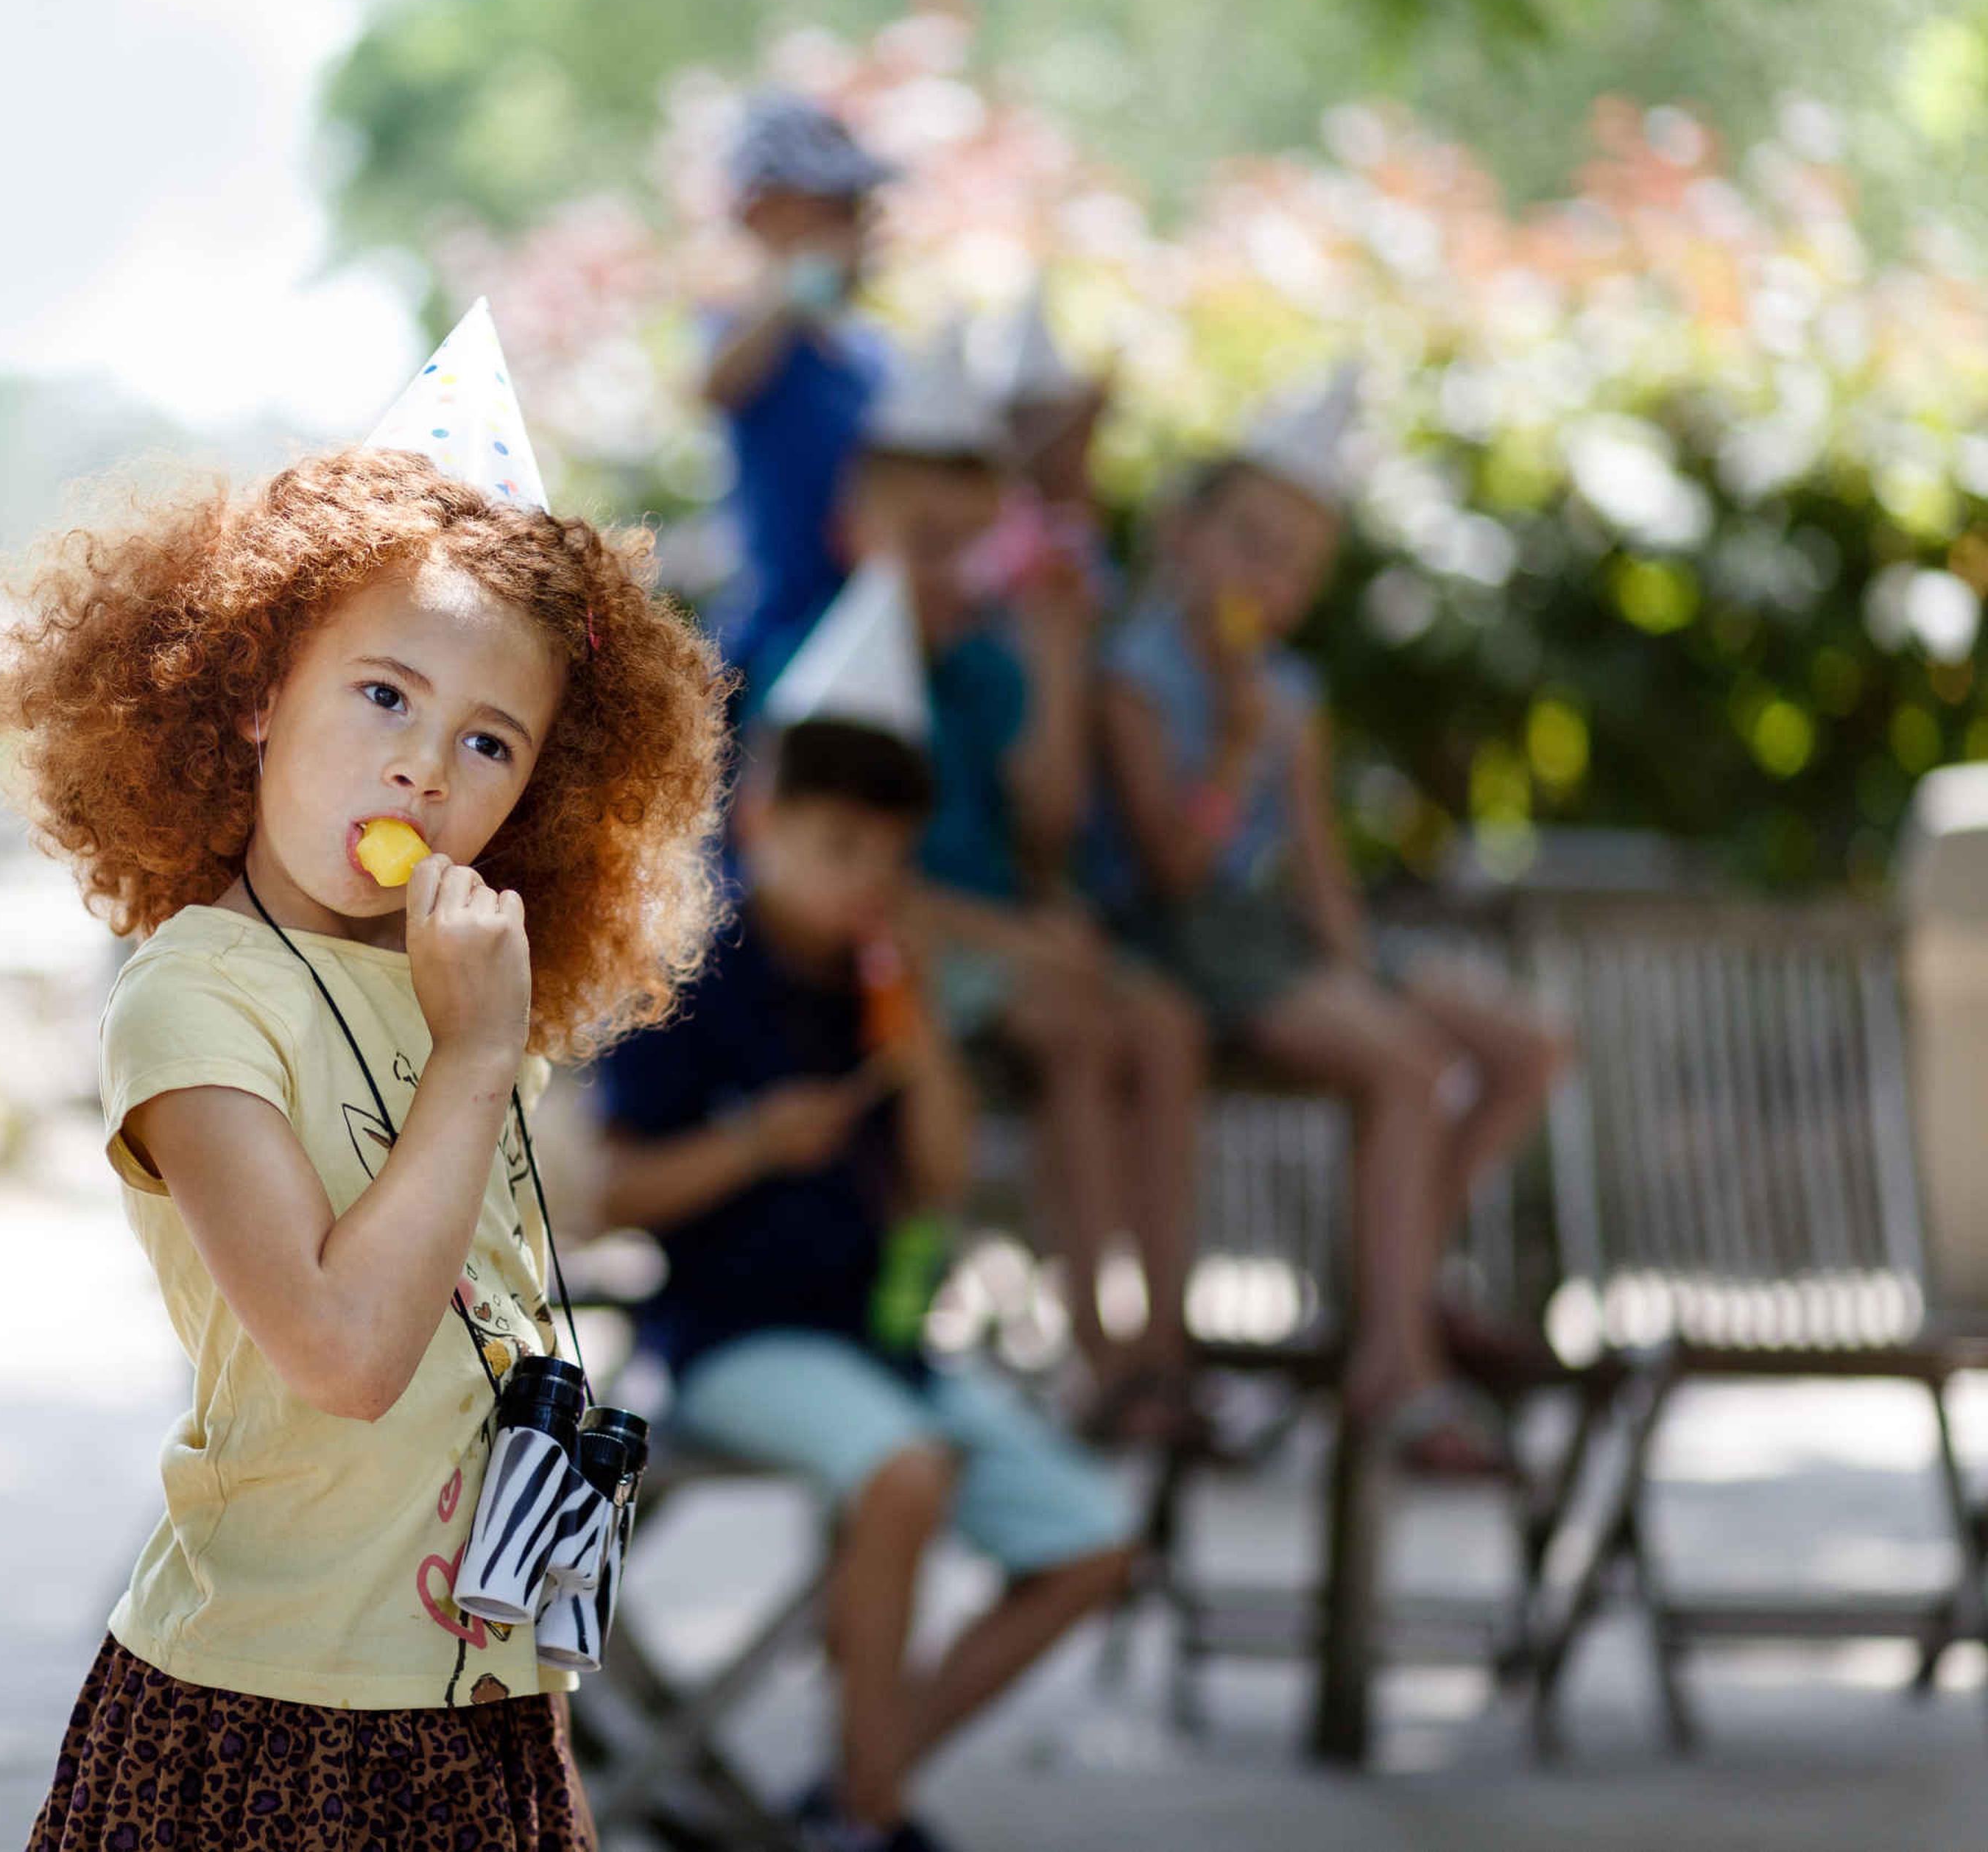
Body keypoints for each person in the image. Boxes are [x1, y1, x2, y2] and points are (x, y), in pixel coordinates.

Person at [0, 302, 733, 1850]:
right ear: (257, 690)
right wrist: (470, 1059)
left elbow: (491, 1344)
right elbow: (342, 1353)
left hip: (484, 1711)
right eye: (382, 694)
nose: (423, 770)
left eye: (490, 742)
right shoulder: (198, 990)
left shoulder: (453, 991)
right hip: (265, 1717)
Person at [593, 716, 1136, 1852]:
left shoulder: (883, 983)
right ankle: (871, 1812)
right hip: (732, 1344)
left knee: (1094, 1540)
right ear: (763, 826)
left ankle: (857, 1786)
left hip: (883, 1346)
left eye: (891, 856)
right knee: (903, 1473)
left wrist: (922, 1026)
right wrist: (749, 1148)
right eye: (841, 847)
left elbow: (938, 1184)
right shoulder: (690, 973)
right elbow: (604, 1198)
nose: (869, 881)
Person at [1084, 367, 1573, 1473]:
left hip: (1286, 944)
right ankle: (1397, 1363)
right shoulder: (1138, 677)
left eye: (1296, 559)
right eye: (1250, 541)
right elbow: (1176, 867)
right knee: (1406, 1071)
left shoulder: (1291, 694)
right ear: (1186, 535)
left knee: (1527, 1047)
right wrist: (1237, 742)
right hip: (1194, 946)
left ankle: (1390, 1288)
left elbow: (1318, 869)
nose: (1270, 575)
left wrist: (1358, 976)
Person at [804, 317, 1210, 1445]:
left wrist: (1058, 646)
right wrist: (1035, 945)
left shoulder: (984, 663)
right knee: (1073, 1032)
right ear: (858, 527)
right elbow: (860, 887)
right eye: (923, 540)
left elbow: (1046, 825)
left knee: (1159, 1026)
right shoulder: (818, 661)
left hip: (992, 950)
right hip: (898, 970)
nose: (949, 569)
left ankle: (1159, 1351)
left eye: (966, 543)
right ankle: (1108, 1359)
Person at [698, 90, 897, 702]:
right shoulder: (740, 328)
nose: (853, 225)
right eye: (830, 209)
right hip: (778, 631)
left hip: (872, 626)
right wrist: (789, 290)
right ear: (760, 214)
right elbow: (715, 386)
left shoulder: (871, 352)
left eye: (856, 209)